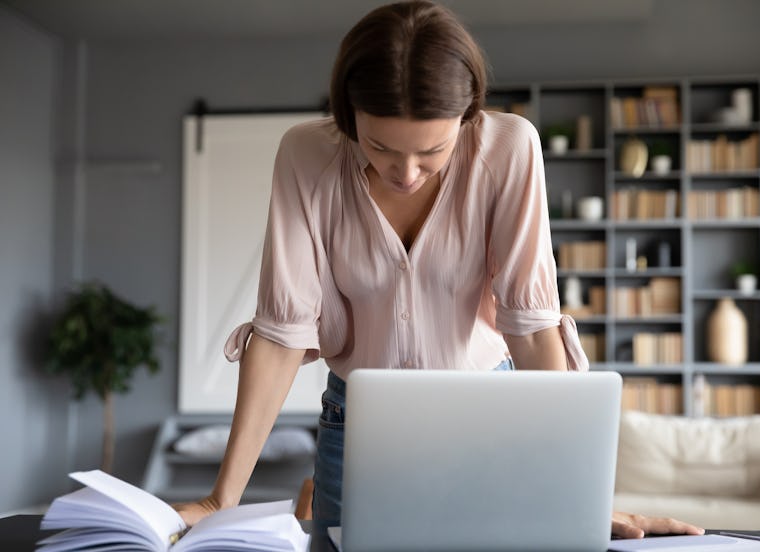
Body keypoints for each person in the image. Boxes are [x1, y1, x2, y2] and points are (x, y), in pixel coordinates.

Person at [175, 0, 704, 540]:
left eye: (432, 151)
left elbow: (532, 329)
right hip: (357, 428)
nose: (405, 173)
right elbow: (282, 334)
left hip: (490, 419)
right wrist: (222, 500)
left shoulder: (509, 150)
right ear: (347, 113)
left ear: (468, 114)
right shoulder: (305, 157)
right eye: (379, 146)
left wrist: (575, 496)